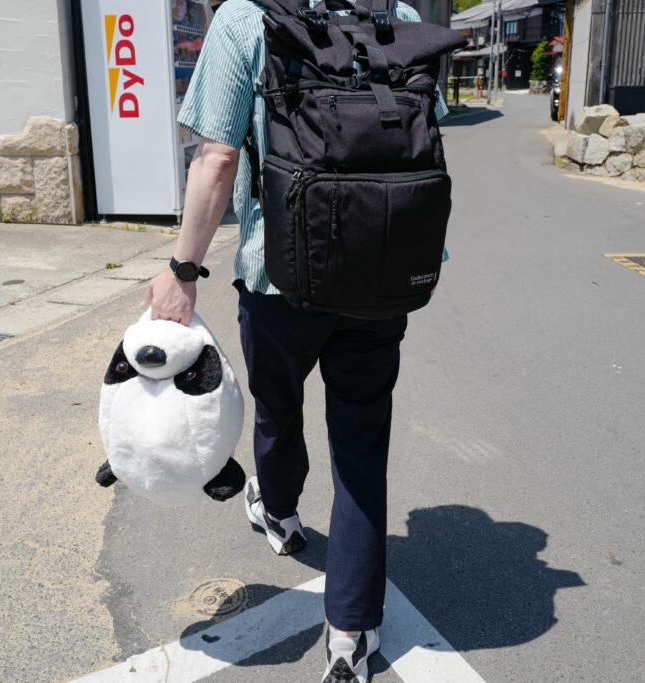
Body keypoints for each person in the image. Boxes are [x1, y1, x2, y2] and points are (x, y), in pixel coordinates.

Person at [144, 1, 448, 680]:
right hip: (381, 273)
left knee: (278, 407)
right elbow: (428, 131)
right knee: (361, 451)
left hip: (281, 272)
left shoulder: (245, 18)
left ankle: (278, 512)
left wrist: (182, 270)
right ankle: (351, 638)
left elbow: (217, 157)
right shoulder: (396, 12)